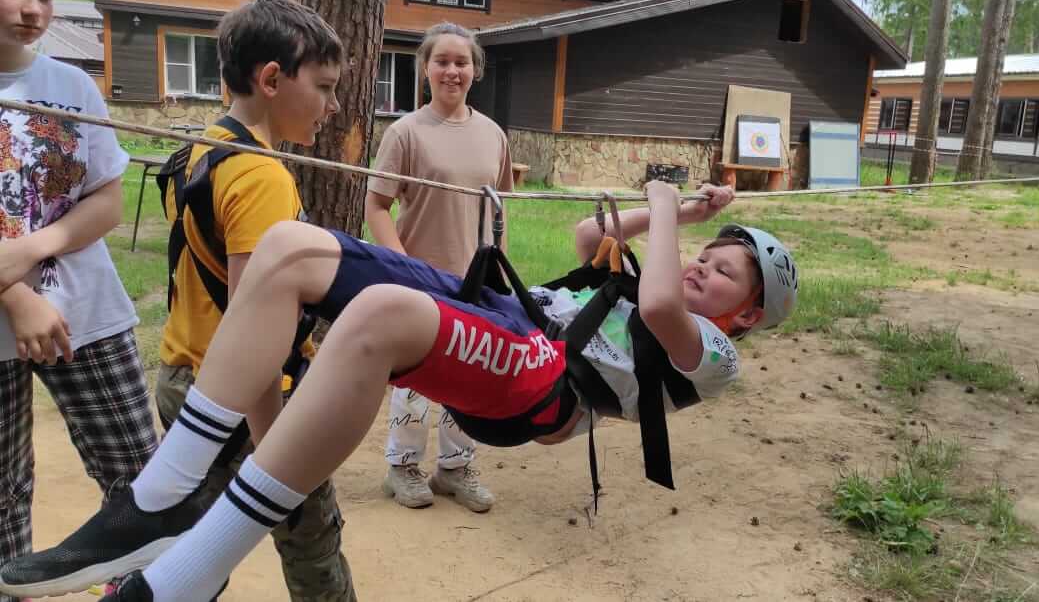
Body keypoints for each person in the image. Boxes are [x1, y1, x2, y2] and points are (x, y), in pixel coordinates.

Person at [0, 178, 799, 602]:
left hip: (544, 383)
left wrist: (665, 208)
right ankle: (160, 496)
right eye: (706, 253)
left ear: (749, 311)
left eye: (724, 271)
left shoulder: (716, 352)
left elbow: (660, 302)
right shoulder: (647, 273)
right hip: (506, 315)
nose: (701, 263)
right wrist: (682, 212)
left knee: (381, 314)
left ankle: (183, 575)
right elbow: (592, 238)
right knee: (287, 247)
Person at [149, 0, 356, 602]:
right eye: (323, 86)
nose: (334, 104)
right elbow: (254, 327)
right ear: (271, 79)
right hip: (247, 403)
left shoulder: (196, 151)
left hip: (183, 381)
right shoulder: (262, 175)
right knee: (313, 547)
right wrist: (275, 448)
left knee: (191, 550)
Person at [0, 0, 157, 600]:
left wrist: (35, 247)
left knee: (142, 478)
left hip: (87, 314)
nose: (34, 9)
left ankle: (144, 588)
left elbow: (107, 200)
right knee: (3, 493)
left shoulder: (72, 86)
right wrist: (12, 292)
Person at [366, 22, 512, 513]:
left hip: (475, 280)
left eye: (461, 62)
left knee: (469, 377)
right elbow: (376, 207)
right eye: (442, 61)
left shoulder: (493, 134)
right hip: (419, 278)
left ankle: (455, 468)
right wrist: (400, 266)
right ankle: (402, 466)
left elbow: (498, 209)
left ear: (476, 70)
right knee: (416, 377)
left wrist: (501, 269)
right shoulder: (405, 132)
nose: (452, 70)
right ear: (424, 68)